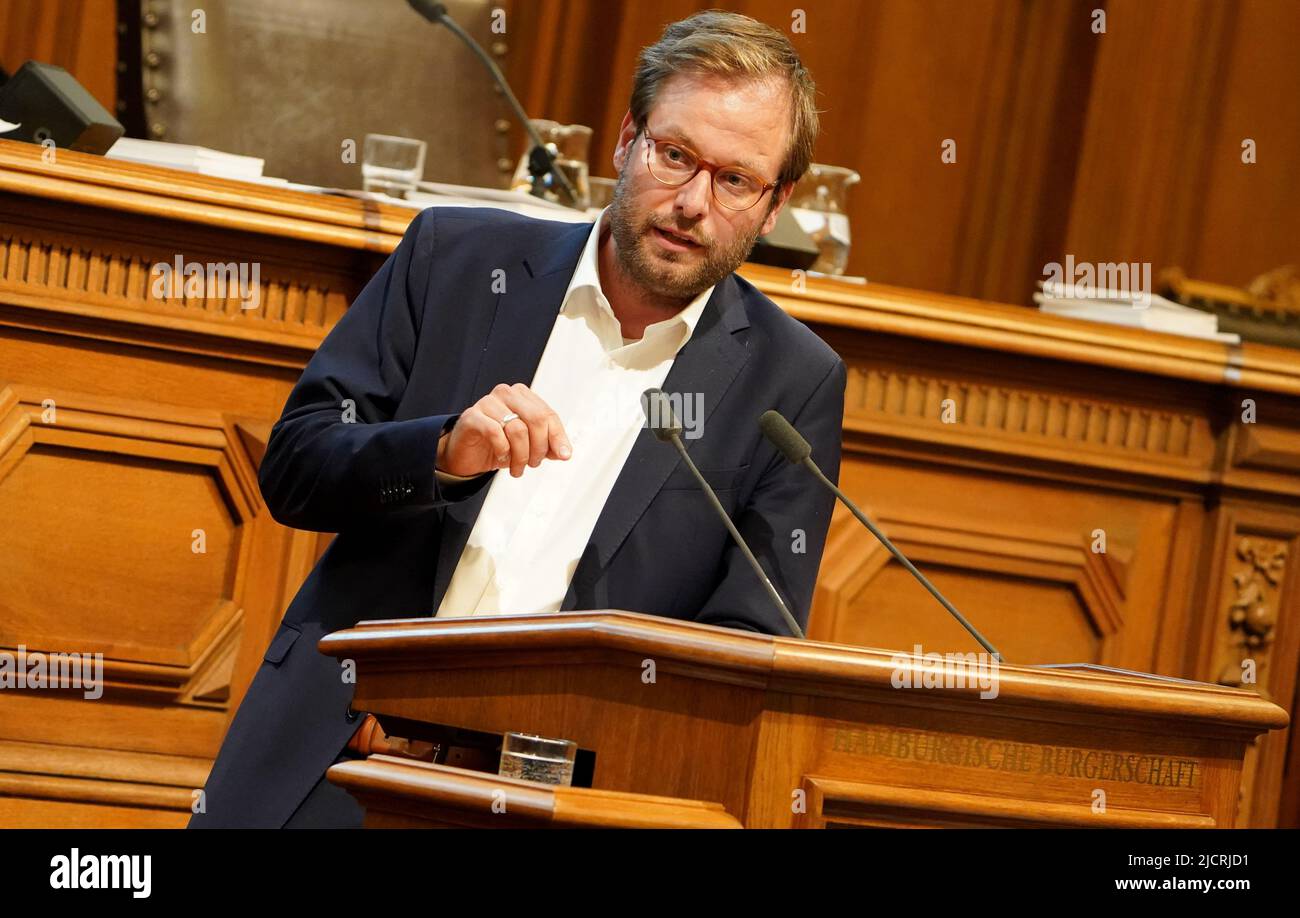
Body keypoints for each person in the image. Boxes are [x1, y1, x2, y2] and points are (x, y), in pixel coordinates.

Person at [190, 9, 845, 829]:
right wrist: (438, 451)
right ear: (625, 140)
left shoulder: (794, 383)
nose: (691, 204)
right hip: (344, 755)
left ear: (776, 202)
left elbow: (746, 648)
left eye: (736, 180)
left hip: (559, 802)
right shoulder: (454, 262)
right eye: (674, 155)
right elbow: (294, 468)